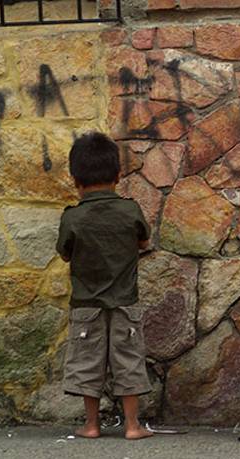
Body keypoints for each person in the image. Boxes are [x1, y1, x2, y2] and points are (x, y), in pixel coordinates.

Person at [56, 132, 153, 440]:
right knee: (129, 361)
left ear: (75, 180)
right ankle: (133, 426)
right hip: (125, 302)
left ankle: (92, 424)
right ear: (118, 175)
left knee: (88, 362)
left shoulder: (73, 218)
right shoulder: (130, 211)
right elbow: (143, 240)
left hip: (86, 305)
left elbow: (64, 252)